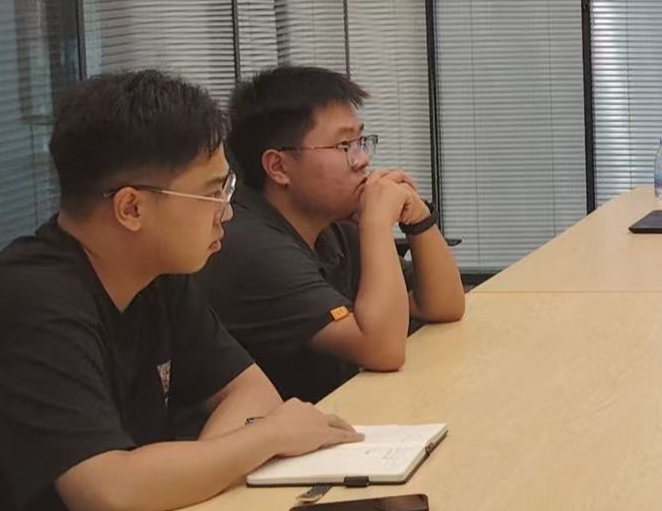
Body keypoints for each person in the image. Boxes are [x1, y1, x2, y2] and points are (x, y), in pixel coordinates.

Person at [0, 70, 360, 511]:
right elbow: (107, 491)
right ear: (131, 208)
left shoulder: (155, 273)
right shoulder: (34, 300)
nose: (227, 213)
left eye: (227, 188)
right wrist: (268, 438)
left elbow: (250, 390)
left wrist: (194, 473)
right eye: (213, 193)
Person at [199, 66, 464, 404]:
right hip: (267, 433)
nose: (362, 159)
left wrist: (419, 220)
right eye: (344, 145)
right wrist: (377, 224)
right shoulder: (250, 247)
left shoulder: (330, 227)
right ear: (278, 167)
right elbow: (383, 349)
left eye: (361, 141)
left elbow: (444, 304)